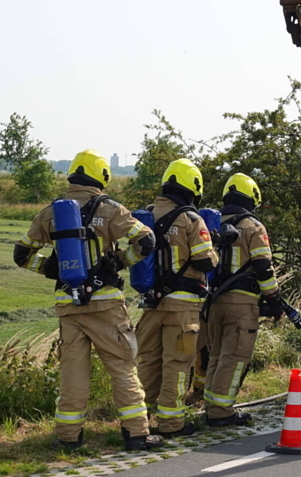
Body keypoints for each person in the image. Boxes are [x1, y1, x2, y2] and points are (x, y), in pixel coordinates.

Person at [13, 149, 164, 452]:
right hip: (106, 303)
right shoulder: (111, 210)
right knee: (122, 366)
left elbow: (21, 255)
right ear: (102, 176)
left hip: (67, 304)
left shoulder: (50, 213)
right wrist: (120, 261)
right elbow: (146, 240)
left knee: (73, 374)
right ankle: (137, 434)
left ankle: (68, 437)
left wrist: (49, 269)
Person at [135, 159, 218, 438]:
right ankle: (172, 424)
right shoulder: (191, 219)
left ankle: (138, 422)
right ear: (193, 187)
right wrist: (216, 246)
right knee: (177, 364)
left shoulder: (146, 216)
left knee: (148, 362)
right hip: (182, 306)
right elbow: (205, 262)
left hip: (150, 304)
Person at [203, 173, 281, 426]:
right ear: (252, 199)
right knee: (235, 357)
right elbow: (263, 268)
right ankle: (221, 412)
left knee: (216, 356)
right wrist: (273, 298)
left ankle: (211, 407)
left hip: (214, 302)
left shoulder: (213, 223)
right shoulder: (253, 227)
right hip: (242, 303)